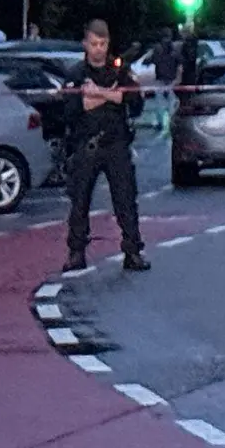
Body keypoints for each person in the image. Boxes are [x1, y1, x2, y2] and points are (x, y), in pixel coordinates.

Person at [62, 19, 149, 272]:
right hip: (86, 143)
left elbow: (134, 102)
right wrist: (111, 95)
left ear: (108, 43)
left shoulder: (120, 71)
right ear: (85, 44)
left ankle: (133, 251)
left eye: (102, 43)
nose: (98, 49)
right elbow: (73, 109)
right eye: (94, 44)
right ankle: (76, 252)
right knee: (79, 201)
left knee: (125, 199)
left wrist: (97, 93)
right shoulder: (76, 74)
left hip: (116, 143)